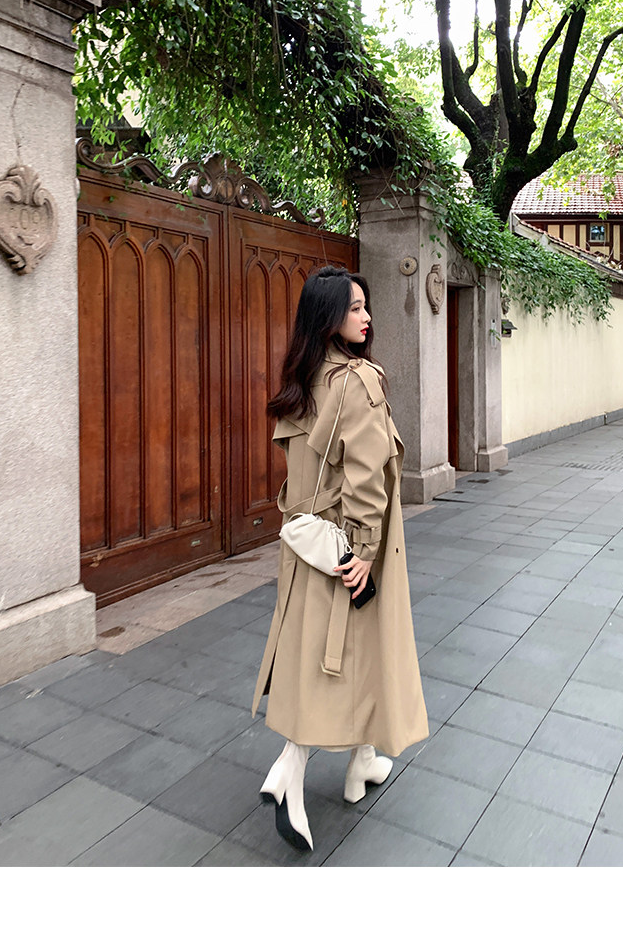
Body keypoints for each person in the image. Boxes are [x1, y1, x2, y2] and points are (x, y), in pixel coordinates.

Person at [251, 265, 428, 852]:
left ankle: (362, 763)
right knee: (338, 659)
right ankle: (292, 770)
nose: (367, 316)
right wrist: (365, 552)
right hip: (350, 547)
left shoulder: (303, 381)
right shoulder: (358, 381)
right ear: (327, 316)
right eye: (354, 307)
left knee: (337, 653)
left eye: (365, 305)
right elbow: (368, 479)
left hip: (308, 545)